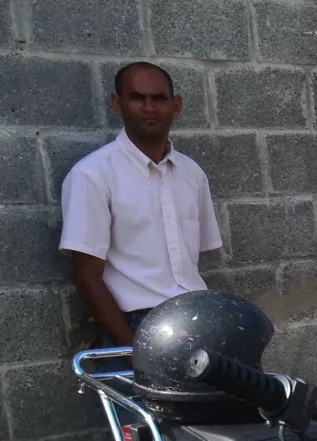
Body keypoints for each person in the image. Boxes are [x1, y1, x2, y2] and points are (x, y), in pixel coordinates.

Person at [58, 62, 221, 347]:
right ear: (118, 104)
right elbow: (86, 277)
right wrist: (131, 347)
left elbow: (192, 260)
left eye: (159, 98)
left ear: (176, 106)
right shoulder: (93, 175)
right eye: (137, 97)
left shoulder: (192, 173)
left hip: (197, 318)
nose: (149, 107)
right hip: (136, 326)